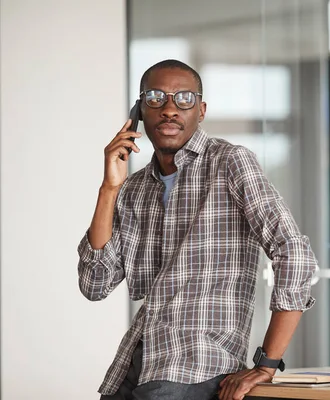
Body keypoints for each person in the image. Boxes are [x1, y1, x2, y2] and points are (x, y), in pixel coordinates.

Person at [77, 59, 317, 400]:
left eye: (184, 98)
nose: (170, 109)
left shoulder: (230, 162)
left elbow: (293, 252)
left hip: (196, 368)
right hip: (133, 367)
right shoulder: (133, 189)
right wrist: (109, 188)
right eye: (156, 98)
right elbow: (94, 283)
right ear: (139, 111)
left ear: (201, 110)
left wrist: (267, 362)